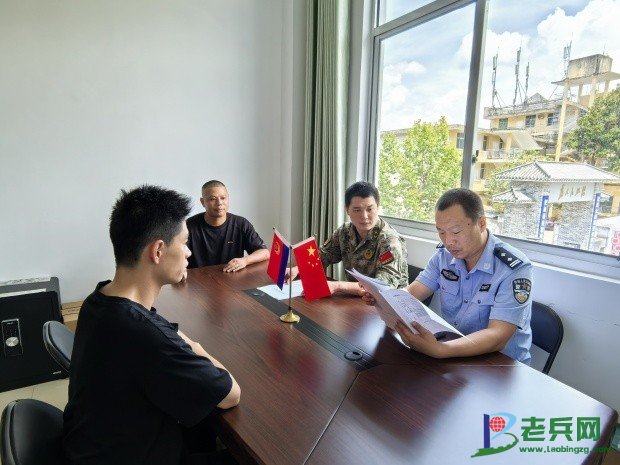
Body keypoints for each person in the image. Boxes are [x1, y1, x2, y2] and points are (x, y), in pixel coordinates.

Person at [63, 185, 241, 465]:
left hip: (98, 444)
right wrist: (195, 346)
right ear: (158, 251)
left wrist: (173, 338)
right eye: (184, 243)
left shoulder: (98, 300)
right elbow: (230, 394)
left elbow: (152, 328)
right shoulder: (145, 337)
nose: (188, 253)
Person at [364, 188, 532, 363]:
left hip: (500, 365)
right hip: (454, 352)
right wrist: (384, 299)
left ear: (482, 223)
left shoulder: (513, 268)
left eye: (456, 232)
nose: (448, 241)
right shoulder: (444, 256)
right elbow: (412, 292)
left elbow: (498, 336)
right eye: (441, 232)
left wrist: (441, 350)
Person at [287, 181, 408, 296]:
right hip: (356, 298)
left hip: (389, 304)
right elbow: (324, 256)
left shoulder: (389, 240)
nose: (364, 216)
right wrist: (298, 269)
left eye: (370, 209)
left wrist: (338, 286)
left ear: (378, 207)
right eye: (357, 210)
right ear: (347, 210)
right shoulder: (345, 231)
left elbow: (383, 285)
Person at [186, 180, 269, 273]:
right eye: (212, 199)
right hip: (198, 278)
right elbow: (178, 255)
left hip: (231, 277)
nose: (219, 203)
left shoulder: (241, 224)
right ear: (202, 202)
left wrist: (245, 260)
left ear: (228, 199)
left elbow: (264, 252)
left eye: (223, 198)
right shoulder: (189, 226)